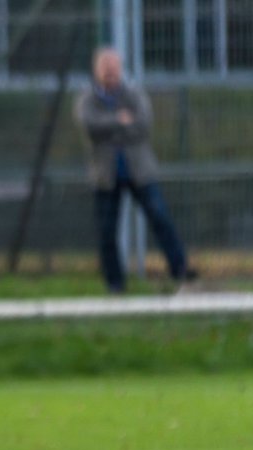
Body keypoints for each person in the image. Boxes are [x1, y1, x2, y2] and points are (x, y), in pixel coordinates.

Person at [75, 46, 194, 294]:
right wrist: (119, 120)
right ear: (96, 71)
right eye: (105, 67)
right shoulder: (88, 99)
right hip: (105, 175)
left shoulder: (133, 94)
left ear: (120, 68)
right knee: (107, 231)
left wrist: (108, 128)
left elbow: (143, 124)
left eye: (113, 67)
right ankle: (115, 284)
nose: (110, 72)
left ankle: (180, 269)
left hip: (139, 170)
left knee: (160, 217)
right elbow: (89, 126)